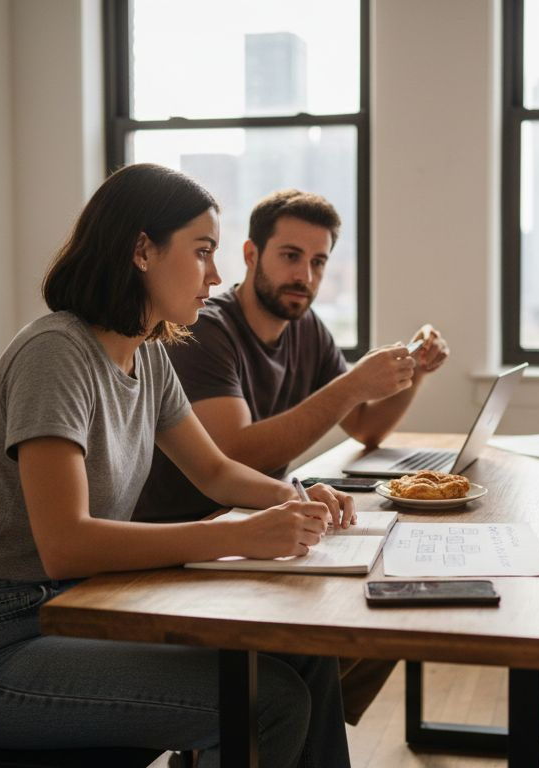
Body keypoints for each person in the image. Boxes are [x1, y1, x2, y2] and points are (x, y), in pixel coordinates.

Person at [0, 164, 352, 768]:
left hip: (81, 609)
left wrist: (295, 496)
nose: (217, 275)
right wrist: (235, 534)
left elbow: (217, 472)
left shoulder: (146, 356)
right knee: (267, 701)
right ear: (142, 251)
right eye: (202, 252)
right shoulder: (57, 354)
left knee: (301, 652)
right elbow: (65, 546)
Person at [134, 189, 450, 725]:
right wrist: (352, 384)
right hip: (189, 538)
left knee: (400, 589)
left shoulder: (307, 330)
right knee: (346, 623)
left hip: (256, 525)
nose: (305, 274)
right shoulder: (204, 328)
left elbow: (367, 428)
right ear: (251, 255)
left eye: (319, 261)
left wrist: (411, 374)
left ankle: (303, 722)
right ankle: (285, 720)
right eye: (290, 256)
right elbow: (232, 454)